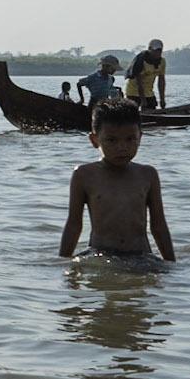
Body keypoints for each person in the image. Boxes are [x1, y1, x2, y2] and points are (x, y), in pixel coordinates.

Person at [60, 98, 176, 261]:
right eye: (112, 140)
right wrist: (63, 262)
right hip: (102, 255)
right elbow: (74, 225)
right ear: (95, 140)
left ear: (140, 138)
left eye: (130, 139)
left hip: (141, 256)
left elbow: (159, 226)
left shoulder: (148, 175)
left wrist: (170, 263)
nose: (122, 147)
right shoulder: (84, 175)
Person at [125, 40, 167, 111]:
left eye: (160, 50)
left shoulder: (162, 61)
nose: (158, 53)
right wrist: (143, 100)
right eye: (155, 50)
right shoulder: (141, 61)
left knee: (152, 110)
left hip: (149, 93)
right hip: (133, 92)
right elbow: (139, 83)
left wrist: (162, 99)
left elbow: (161, 82)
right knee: (133, 114)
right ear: (150, 49)